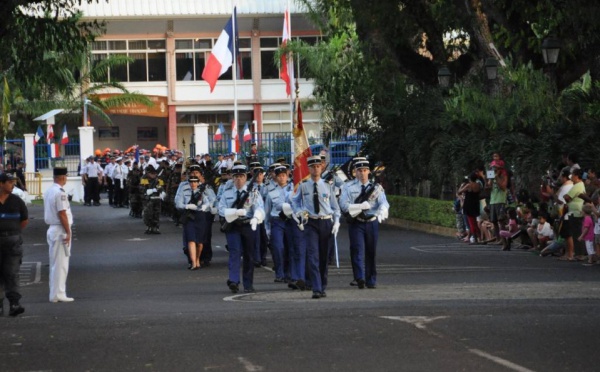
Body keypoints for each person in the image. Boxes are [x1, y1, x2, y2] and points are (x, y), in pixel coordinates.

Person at [291, 155, 341, 299]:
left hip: (326, 222)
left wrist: (337, 221)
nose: (315, 168)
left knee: (324, 257)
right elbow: (295, 202)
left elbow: (335, 207)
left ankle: (322, 285)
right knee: (312, 256)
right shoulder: (303, 185)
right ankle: (316, 288)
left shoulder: (327, 185)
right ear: (309, 168)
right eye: (312, 166)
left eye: (318, 166)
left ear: (321, 167)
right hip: (311, 222)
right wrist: (299, 212)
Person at [339, 158, 389, 289]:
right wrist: (359, 206)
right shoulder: (348, 187)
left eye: (365, 170)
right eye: (359, 170)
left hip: (371, 222)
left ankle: (371, 279)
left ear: (369, 171)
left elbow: (383, 202)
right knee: (357, 250)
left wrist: (383, 209)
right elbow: (344, 205)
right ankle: (359, 277)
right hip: (357, 222)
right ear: (355, 172)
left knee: (371, 252)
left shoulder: (376, 188)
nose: (362, 173)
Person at [218, 164, 265, 293]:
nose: (239, 179)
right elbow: (221, 209)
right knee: (235, 252)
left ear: (246, 178)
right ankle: (233, 280)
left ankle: (248, 284)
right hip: (233, 225)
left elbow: (259, 207)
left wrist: (256, 217)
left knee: (249, 255)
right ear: (232, 178)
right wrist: (233, 212)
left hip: (248, 225)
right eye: (236, 177)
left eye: (241, 176)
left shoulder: (253, 192)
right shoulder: (227, 193)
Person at [43, 167, 74, 303]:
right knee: (61, 264)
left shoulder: (50, 190)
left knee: (55, 263)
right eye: (66, 176)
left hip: (53, 229)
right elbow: (62, 213)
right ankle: (58, 294)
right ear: (62, 177)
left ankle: (55, 292)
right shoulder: (60, 193)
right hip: (60, 229)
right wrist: (68, 231)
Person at [0, 173, 29, 316]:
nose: (12, 185)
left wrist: (13, 232)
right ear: (1, 183)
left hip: (13, 242)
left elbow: (24, 220)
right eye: (10, 182)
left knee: (11, 273)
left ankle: (14, 303)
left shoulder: (17, 201)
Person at [264, 164, 294, 283]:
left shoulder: (293, 190)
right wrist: (267, 228)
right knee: (278, 247)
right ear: (275, 177)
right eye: (279, 176)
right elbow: (267, 211)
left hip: (290, 221)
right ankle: (279, 273)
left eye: (284, 175)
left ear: (287, 176)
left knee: (289, 247)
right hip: (277, 221)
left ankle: (289, 273)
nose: (282, 178)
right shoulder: (271, 192)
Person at [486, 155, 507, 243]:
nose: (494, 170)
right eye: (493, 168)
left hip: (500, 200)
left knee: (501, 221)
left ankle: (504, 239)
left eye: (496, 168)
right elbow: (488, 188)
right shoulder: (491, 176)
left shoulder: (504, 175)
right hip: (493, 200)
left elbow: (503, 187)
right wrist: (490, 179)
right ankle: (498, 239)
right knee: (494, 221)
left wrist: (497, 177)